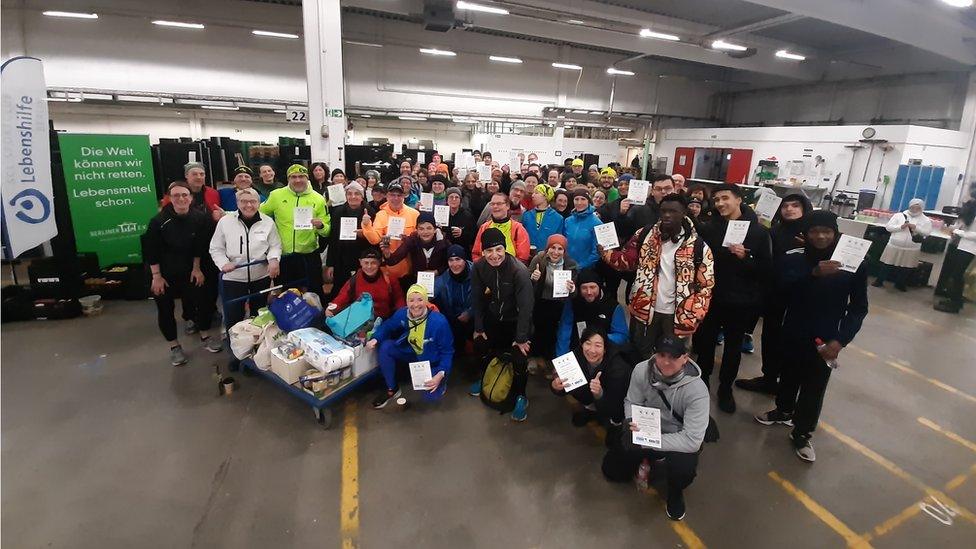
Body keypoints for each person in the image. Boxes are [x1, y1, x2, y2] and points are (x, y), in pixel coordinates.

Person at [755, 211, 868, 463]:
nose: (820, 236)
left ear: (835, 233)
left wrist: (840, 340)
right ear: (805, 234)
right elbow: (779, 288)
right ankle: (783, 410)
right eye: (814, 231)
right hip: (792, 329)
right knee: (788, 375)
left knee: (814, 387)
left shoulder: (853, 264)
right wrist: (813, 274)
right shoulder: (793, 259)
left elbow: (859, 307)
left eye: (826, 231)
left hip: (825, 338)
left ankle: (803, 432)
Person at [602, 335, 708, 521]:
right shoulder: (641, 370)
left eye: (673, 357)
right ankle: (647, 460)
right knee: (611, 470)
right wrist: (630, 423)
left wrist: (651, 443)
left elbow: (692, 441)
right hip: (645, 430)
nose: (666, 362)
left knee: (683, 470)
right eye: (661, 355)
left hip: (675, 437)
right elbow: (632, 401)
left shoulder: (697, 391)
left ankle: (675, 492)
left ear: (685, 358)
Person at [602, 193, 714, 360]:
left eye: (673, 211)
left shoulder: (699, 246)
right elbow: (627, 261)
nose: (667, 215)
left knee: (673, 360)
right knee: (640, 355)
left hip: (678, 316)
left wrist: (695, 313)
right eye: (664, 211)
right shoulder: (644, 235)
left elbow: (706, 285)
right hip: (644, 310)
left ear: (684, 213)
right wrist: (605, 251)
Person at [693, 184, 771, 413]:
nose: (720, 203)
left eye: (725, 198)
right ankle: (702, 383)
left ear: (738, 199)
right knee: (705, 345)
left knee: (733, 348)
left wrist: (745, 258)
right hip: (711, 298)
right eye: (716, 199)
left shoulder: (758, 232)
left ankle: (725, 388)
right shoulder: (710, 228)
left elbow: (766, 270)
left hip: (741, 302)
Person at [737, 193, 812, 395]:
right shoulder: (774, 232)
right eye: (785, 205)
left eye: (795, 205)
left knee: (793, 344)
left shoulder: (813, 233)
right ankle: (769, 378)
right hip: (773, 295)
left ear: (805, 209)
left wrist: (811, 247)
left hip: (801, 299)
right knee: (770, 338)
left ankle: (788, 386)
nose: (789, 209)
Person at [143, 182, 223, 366]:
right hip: (163, 273)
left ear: (191, 198)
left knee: (202, 302)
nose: (181, 199)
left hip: (190, 269)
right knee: (165, 310)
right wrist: (156, 276)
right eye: (176, 195)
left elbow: (200, 246)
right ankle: (174, 346)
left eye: (185, 195)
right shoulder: (158, 221)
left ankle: (205, 335)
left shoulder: (200, 218)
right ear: (169, 198)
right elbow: (151, 251)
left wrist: (197, 268)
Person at [469, 228, 534, 422]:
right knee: (482, 345)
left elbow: (526, 307)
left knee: (519, 357)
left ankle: (522, 395)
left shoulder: (519, 271)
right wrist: (479, 327)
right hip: (495, 316)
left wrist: (521, 338)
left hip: (516, 320)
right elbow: (477, 298)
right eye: (489, 251)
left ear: (505, 249)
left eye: (498, 249)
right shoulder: (479, 267)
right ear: (483, 252)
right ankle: (485, 378)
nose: (494, 255)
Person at [367, 284, 454, 408]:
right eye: (411, 300)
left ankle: (441, 380)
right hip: (412, 351)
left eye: (420, 299)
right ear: (406, 302)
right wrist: (376, 338)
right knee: (386, 347)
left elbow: (447, 351)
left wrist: (441, 373)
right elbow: (388, 326)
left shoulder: (439, 322)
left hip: (430, 359)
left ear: (426, 301)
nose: (415, 305)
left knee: (430, 397)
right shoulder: (402, 314)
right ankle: (392, 388)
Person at [210, 188, 281, 326]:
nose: (249, 205)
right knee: (234, 314)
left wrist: (273, 259)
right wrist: (223, 263)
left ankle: (257, 341)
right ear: (237, 203)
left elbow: (275, 245)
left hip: (260, 276)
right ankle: (235, 341)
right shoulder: (225, 222)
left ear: (259, 203)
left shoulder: (267, 222)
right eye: (244, 201)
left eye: (253, 201)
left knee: (259, 312)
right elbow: (216, 247)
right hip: (233, 277)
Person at [259, 164, 330, 303]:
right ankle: (288, 323)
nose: (298, 180)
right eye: (293, 177)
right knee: (287, 297)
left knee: (314, 295)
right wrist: (228, 214)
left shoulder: (318, 199)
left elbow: (327, 231)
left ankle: (317, 323)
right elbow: (257, 212)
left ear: (307, 178)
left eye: (301, 176)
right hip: (285, 257)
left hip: (309, 255)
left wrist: (321, 226)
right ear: (288, 179)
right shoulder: (276, 195)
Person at [550, 328, 631, 429]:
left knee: (613, 433)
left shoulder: (618, 368)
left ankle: (615, 424)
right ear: (582, 344)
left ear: (605, 348)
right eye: (588, 343)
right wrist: (556, 387)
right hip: (593, 397)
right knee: (577, 387)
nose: (592, 350)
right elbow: (565, 386)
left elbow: (617, 402)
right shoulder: (577, 355)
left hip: (616, 404)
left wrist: (599, 394)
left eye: (598, 345)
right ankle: (590, 410)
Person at [555, 268, 628, 357]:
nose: (589, 292)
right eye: (584, 288)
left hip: (604, 351)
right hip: (578, 349)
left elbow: (622, 335)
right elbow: (565, 330)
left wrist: (598, 338)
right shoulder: (573, 303)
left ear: (599, 287)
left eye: (592, 287)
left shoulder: (613, 306)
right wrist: (561, 358)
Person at [528, 234, 578, 361]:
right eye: (552, 248)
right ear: (547, 249)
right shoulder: (539, 259)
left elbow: (575, 293)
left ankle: (548, 358)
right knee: (537, 329)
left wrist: (572, 289)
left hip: (558, 303)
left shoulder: (571, 265)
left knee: (552, 332)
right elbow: (526, 280)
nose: (555, 252)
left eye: (560, 249)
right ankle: (534, 357)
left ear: (564, 251)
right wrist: (533, 278)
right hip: (540, 300)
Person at [362, 179, 420, 282]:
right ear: (387, 196)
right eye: (392, 195)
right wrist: (366, 225)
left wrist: (409, 240)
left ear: (403, 197)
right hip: (389, 271)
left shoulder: (414, 214)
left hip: (411, 269)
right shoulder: (381, 215)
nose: (396, 198)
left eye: (399, 195)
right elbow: (374, 239)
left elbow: (421, 238)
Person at [327, 247, 404, 320]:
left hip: (384, 319)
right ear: (360, 262)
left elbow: (399, 299)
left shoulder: (389, 278)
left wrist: (402, 315)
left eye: (373, 263)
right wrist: (331, 309)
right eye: (366, 263)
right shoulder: (355, 279)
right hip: (361, 320)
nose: (369, 266)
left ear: (379, 262)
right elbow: (342, 297)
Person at [873, 198, 932, 291]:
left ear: (921, 208)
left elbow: (927, 232)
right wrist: (901, 227)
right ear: (909, 206)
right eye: (913, 207)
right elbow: (888, 227)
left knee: (906, 267)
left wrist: (916, 228)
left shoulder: (926, 220)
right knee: (887, 264)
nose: (915, 209)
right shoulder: (899, 215)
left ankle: (900, 283)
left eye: (918, 208)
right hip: (895, 244)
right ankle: (879, 280)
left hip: (912, 247)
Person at [325, 181, 370, 301]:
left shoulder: (370, 212)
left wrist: (365, 233)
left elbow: (374, 238)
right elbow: (333, 239)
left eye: (357, 194)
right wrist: (331, 264)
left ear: (362, 196)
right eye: (349, 194)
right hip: (341, 259)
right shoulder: (338, 212)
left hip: (362, 258)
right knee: (340, 290)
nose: (353, 197)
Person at [382, 212, 451, 285]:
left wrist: (437, 272)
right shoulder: (412, 240)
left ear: (434, 230)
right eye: (421, 229)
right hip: (417, 279)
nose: (425, 232)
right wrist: (387, 253)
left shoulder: (443, 242)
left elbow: (449, 262)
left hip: (438, 278)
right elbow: (392, 261)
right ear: (417, 230)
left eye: (429, 228)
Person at [935, 198, 976, 313]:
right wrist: (953, 228)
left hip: (970, 249)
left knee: (958, 276)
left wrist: (959, 232)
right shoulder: (969, 214)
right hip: (960, 247)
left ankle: (955, 304)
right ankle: (953, 299)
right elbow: (961, 225)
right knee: (954, 275)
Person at [433, 245, 474, 353]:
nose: (455, 264)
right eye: (451, 260)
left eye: (458, 259)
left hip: (475, 316)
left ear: (464, 260)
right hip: (454, 320)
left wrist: (470, 312)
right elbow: (429, 294)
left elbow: (485, 297)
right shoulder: (443, 280)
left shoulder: (476, 273)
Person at [471, 192, 531, 262]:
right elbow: (476, 254)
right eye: (492, 204)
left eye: (499, 204)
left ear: (507, 206)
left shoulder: (518, 228)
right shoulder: (484, 227)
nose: (495, 206)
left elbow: (523, 257)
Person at [563, 188, 602, 269]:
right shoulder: (568, 221)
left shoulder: (597, 223)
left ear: (588, 201)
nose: (579, 202)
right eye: (576, 199)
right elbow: (563, 243)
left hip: (586, 268)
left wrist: (581, 266)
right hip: (567, 266)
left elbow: (597, 252)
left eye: (583, 199)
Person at [522, 183, 565, 254]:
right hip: (527, 255)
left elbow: (558, 240)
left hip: (547, 257)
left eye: (536, 193)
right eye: (533, 193)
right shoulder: (527, 215)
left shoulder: (557, 218)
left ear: (545, 196)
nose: (533, 196)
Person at [444, 187, 475, 254]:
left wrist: (462, 233)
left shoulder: (467, 216)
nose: (454, 199)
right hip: (444, 249)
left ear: (460, 200)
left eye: (456, 197)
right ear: (447, 200)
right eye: (451, 197)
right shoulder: (442, 213)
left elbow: (473, 235)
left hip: (462, 250)